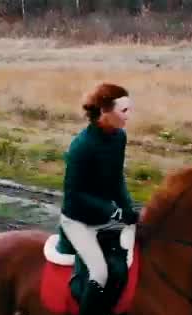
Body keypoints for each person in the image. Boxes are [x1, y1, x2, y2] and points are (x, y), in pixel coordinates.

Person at [59, 81, 137, 292]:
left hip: (104, 217)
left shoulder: (119, 137)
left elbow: (116, 178)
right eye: (124, 110)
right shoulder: (81, 147)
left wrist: (128, 207)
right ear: (104, 111)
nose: (128, 115)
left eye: (129, 109)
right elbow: (75, 195)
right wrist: (114, 211)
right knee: (100, 274)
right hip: (78, 221)